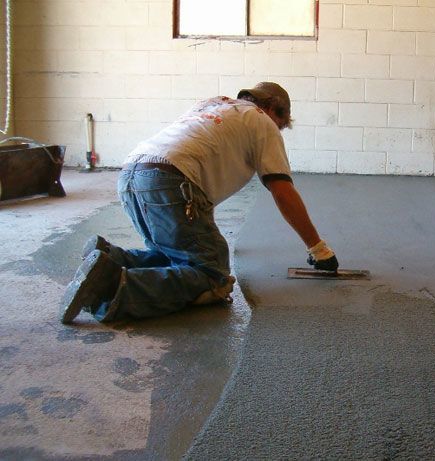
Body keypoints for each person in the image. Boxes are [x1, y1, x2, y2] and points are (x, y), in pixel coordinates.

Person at [60, 82, 339, 324]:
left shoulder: (214, 104)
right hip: (170, 183)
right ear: (273, 109)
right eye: (281, 125)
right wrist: (318, 248)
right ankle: (109, 287)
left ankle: (110, 258)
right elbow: (282, 191)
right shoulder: (261, 121)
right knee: (211, 274)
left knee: (180, 256)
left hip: (132, 176)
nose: (279, 131)